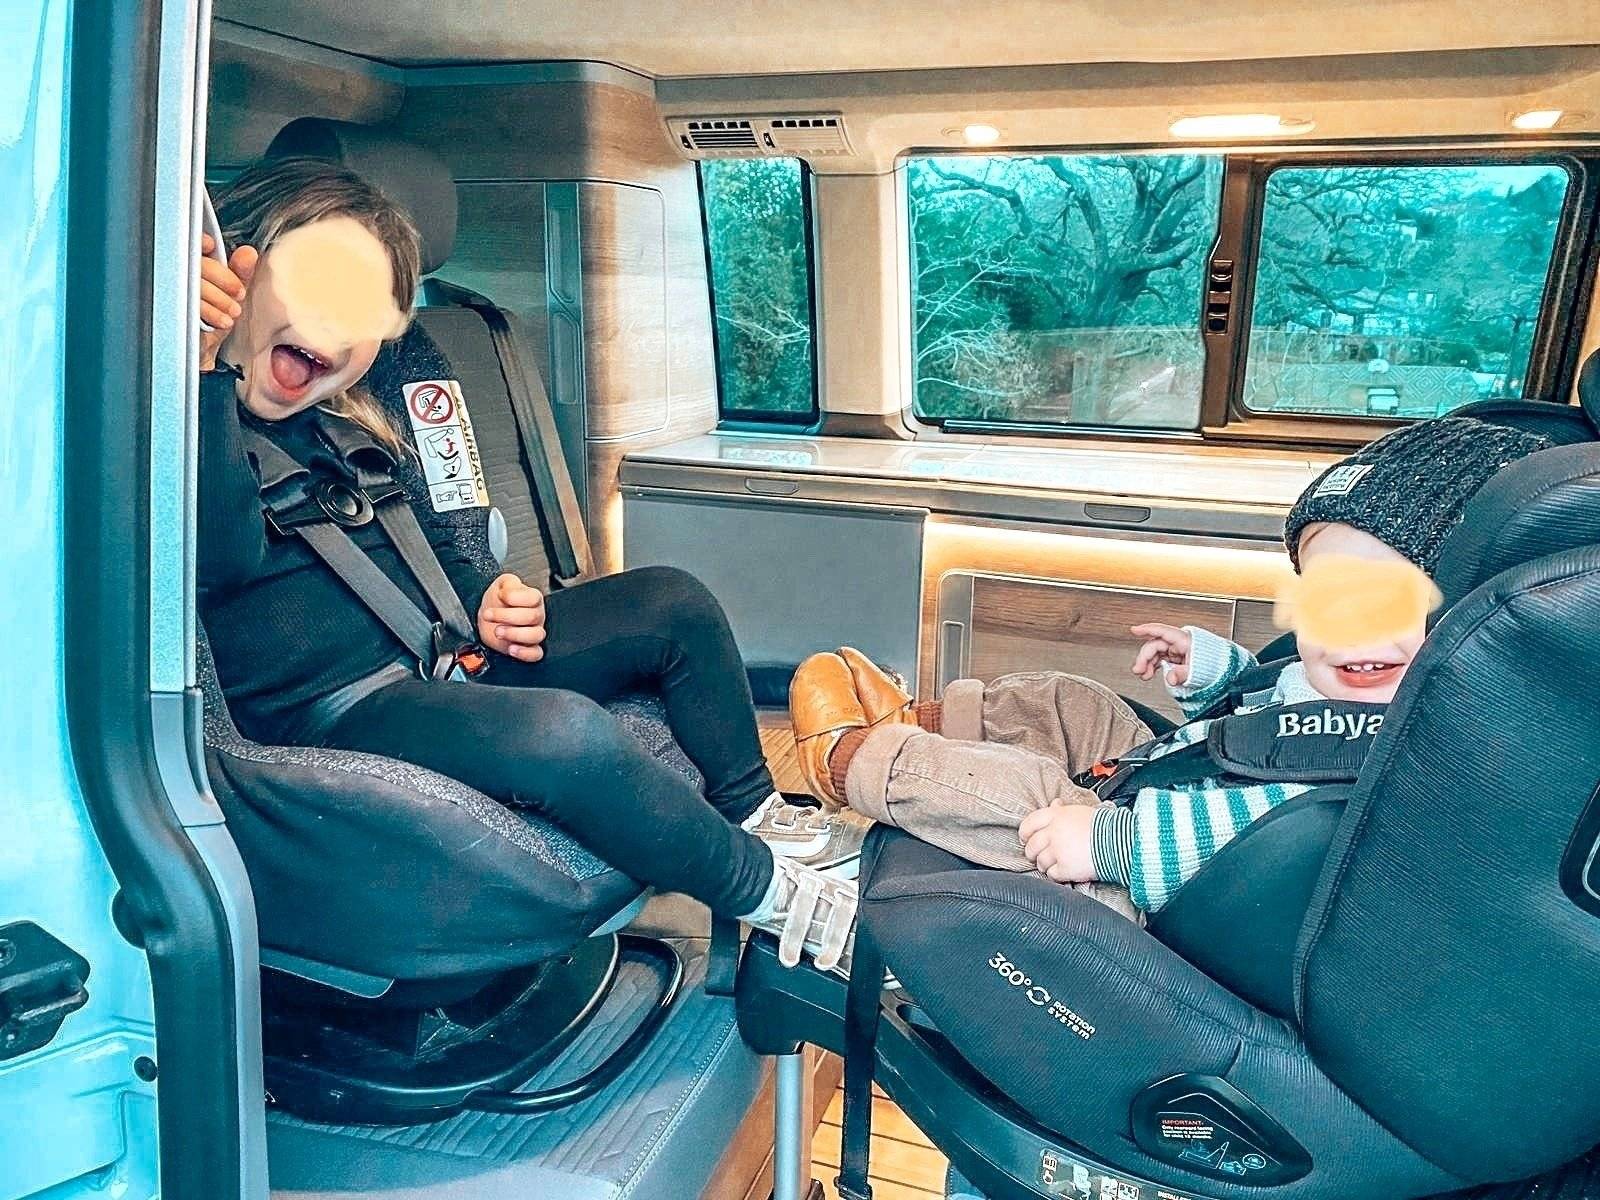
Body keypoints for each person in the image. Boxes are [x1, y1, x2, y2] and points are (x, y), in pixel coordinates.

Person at [196, 157, 864, 974]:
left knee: (672, 603)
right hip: (330, 715)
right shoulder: (170, 421)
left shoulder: (345, 417)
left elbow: (437, 525)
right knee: (562, 732)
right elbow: (219, 557)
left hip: (434, 656)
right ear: (231, 268)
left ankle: (753, 813)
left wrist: (480, 593)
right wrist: (199, 374)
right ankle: (768, 893)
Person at [789, 418, 1550, 917]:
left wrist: (1106, 841)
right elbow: (1269, 727)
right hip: (1180, 785)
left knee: (1025, 794)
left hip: (1160, 896)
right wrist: (1217, 673)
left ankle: (860, 759)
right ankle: (917, 722)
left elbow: (1265, 828)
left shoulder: (1414, 753)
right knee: (1071, 701)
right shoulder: (1367, 679)